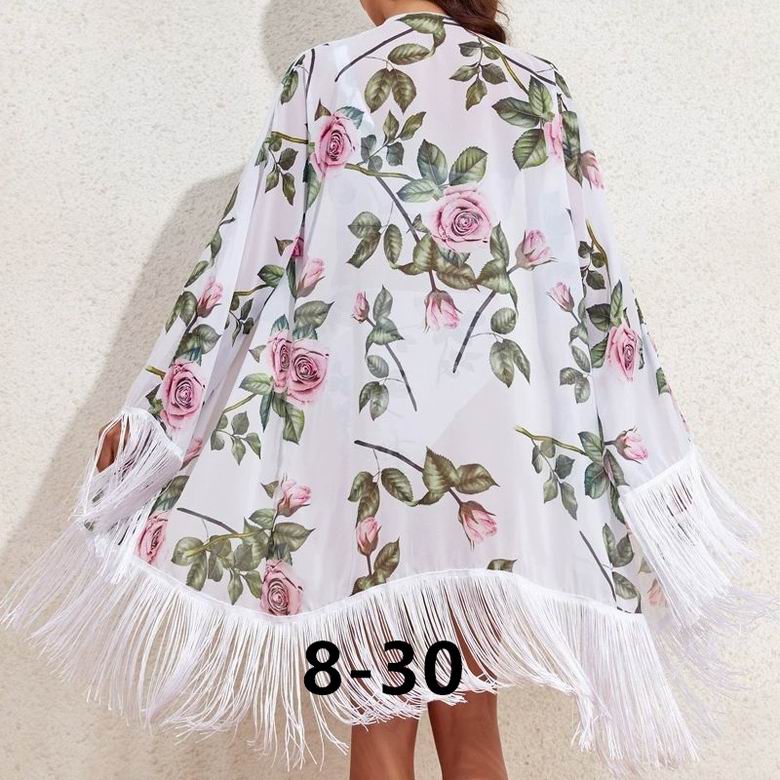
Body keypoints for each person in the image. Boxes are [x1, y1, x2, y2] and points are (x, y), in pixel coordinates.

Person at [2, 2, 769, 779]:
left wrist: (155, 421)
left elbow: (243, 269)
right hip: (493, 454)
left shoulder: (327, 75)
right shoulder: (538, 85)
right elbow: (595, 289)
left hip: (369, 445)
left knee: (378, 723)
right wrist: (645, 456)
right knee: (473, 730)